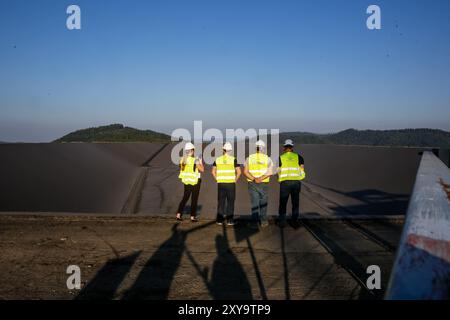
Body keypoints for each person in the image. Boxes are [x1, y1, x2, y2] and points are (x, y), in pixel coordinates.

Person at [243, 140, 274, 228]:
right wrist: (261, 178)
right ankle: (264, 221)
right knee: (263, 202)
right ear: (263, 148)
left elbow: (245, 172)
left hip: (252, 183)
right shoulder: (268, 159)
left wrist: (254, 178)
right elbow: (270, 172)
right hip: (264, 183)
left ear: (255, 148)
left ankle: (254, 223)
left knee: (254, 203)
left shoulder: (249, 158)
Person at [277, 139, 306, 228]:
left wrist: (280, 178)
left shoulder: (280, 158)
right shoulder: (299, 157)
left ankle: (282, 222)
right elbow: (302, 170)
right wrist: (299, 178)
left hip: (285, 183)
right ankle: (294, 222)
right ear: (292, 147)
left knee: (283, 202)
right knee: (295, 202)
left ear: (284, 148)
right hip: (296, 183)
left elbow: (278, 171)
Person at [212, 142, 241, 226]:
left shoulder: (217, 159)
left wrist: (217, 179)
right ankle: (230, 221)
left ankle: (219, 220)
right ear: (230, 150)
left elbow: (213, 172)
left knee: (221, 202)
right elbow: (239, 172)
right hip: (230, 184)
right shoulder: (233, 159)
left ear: (223, 150)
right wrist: (235, 180)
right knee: (230, 202)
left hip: (221, 184)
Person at [176, 142, 204, 222]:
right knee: (194, 199)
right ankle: (192, 217)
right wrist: (200, 161)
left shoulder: (182, 159)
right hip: (195, 181)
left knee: (185, 197)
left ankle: (178, 214)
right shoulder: (195, 160)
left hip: (186, 180)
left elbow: (182, 169)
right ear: (192, 150)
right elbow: (202, 170)